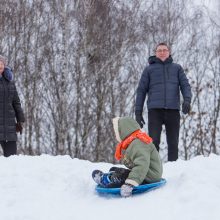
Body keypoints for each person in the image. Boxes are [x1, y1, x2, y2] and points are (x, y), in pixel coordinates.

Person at [135, 43, 192, 161]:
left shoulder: (177, 68)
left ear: (169, 52)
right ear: (155, 53)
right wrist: (138, 112)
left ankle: (173, 168)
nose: (162, 52)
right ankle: (154, 169)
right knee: (154, 141)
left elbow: (185, 85)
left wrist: (187, 100)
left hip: (173, 110)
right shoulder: (149, 70)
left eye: (164, 50)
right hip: (155, 110)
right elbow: (141, 90)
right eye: (159, 50)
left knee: (173, 143)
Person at [92, 116, 163, 197]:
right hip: (147, 174)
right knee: (117, 170)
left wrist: (130, 184)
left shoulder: (138, 143)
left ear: (123, 131)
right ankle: (113, 175)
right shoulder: (135, 141)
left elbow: (141, 165)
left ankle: (108, 179)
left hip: (149, 177)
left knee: (124, 176)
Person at [0, 55, 25, 157]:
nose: (0, 65)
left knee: (11, 158)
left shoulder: (10, 82)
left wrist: (20, 119)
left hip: (9, 125)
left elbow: (16, 102)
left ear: (4, 65)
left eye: (1, 63)